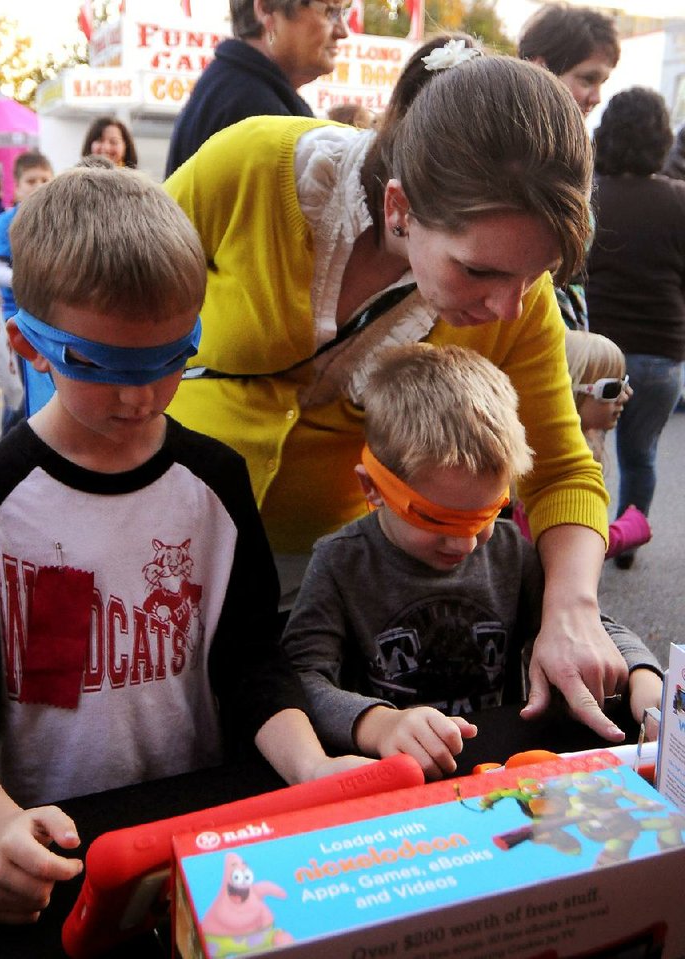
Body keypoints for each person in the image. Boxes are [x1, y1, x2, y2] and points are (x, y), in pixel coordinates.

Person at [0, 163, 369, 924]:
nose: (139, 395)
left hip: (209, 838)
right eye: (102, 365)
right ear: (28, 345)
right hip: (57, 844)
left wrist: (309, 765)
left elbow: (250, 662)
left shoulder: (215, 478)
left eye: (172, 358)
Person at [164, 44, 628, 740]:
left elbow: (561, 468)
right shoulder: (249, 170)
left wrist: (571, 607)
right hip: (172, 552)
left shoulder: (518, 299)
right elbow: (112, 293)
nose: (510, 306)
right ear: (400, 206)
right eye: (479, 270)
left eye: (538, 275)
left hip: (337, 585)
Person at [281, 343, 663, 779]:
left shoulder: (505, 550)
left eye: (486, 514)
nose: (464, 544)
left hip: (497, 769)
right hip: (392, 782)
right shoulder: (340, 563)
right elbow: (298, 680)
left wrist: (646, 681)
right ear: (373, 488)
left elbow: (590, 628)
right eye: (437, 519)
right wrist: (377, 723)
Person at [585, 87, 685, 570]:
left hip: (598, 353)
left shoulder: (590, 197)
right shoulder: (678, 201)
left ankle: (581, 539)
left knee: (587, 449)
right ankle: (628, 537)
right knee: (641, 455)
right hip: (662, 352)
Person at [518, 2, 620, 332]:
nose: (597, 96)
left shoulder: (572, 145)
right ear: (540, 67)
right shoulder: (512, 146)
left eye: (603, 81)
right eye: (588, 79)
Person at [164, 0, 348, 177]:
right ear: (266, 9)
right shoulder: (257, 113)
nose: (343, 31)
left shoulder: (230, 86)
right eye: (330, 11)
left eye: (343, 12)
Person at [514, 330, 651, 561]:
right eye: (611, 389)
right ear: (567, 391)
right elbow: (559, 546)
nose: (627, 395)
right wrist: (626, 531)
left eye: (624, 383)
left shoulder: (583, 442)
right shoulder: (544, 463)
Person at [0, 151, 54, 426]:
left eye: (45, 179)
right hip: (17, 319)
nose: (38, 186)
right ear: (17, 185)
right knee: (18, 394)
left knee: (43, 389)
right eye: (31, 180)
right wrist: (27, 278)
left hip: (48, 318)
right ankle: (10, 446)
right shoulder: (7, 220)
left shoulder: (55, 220)